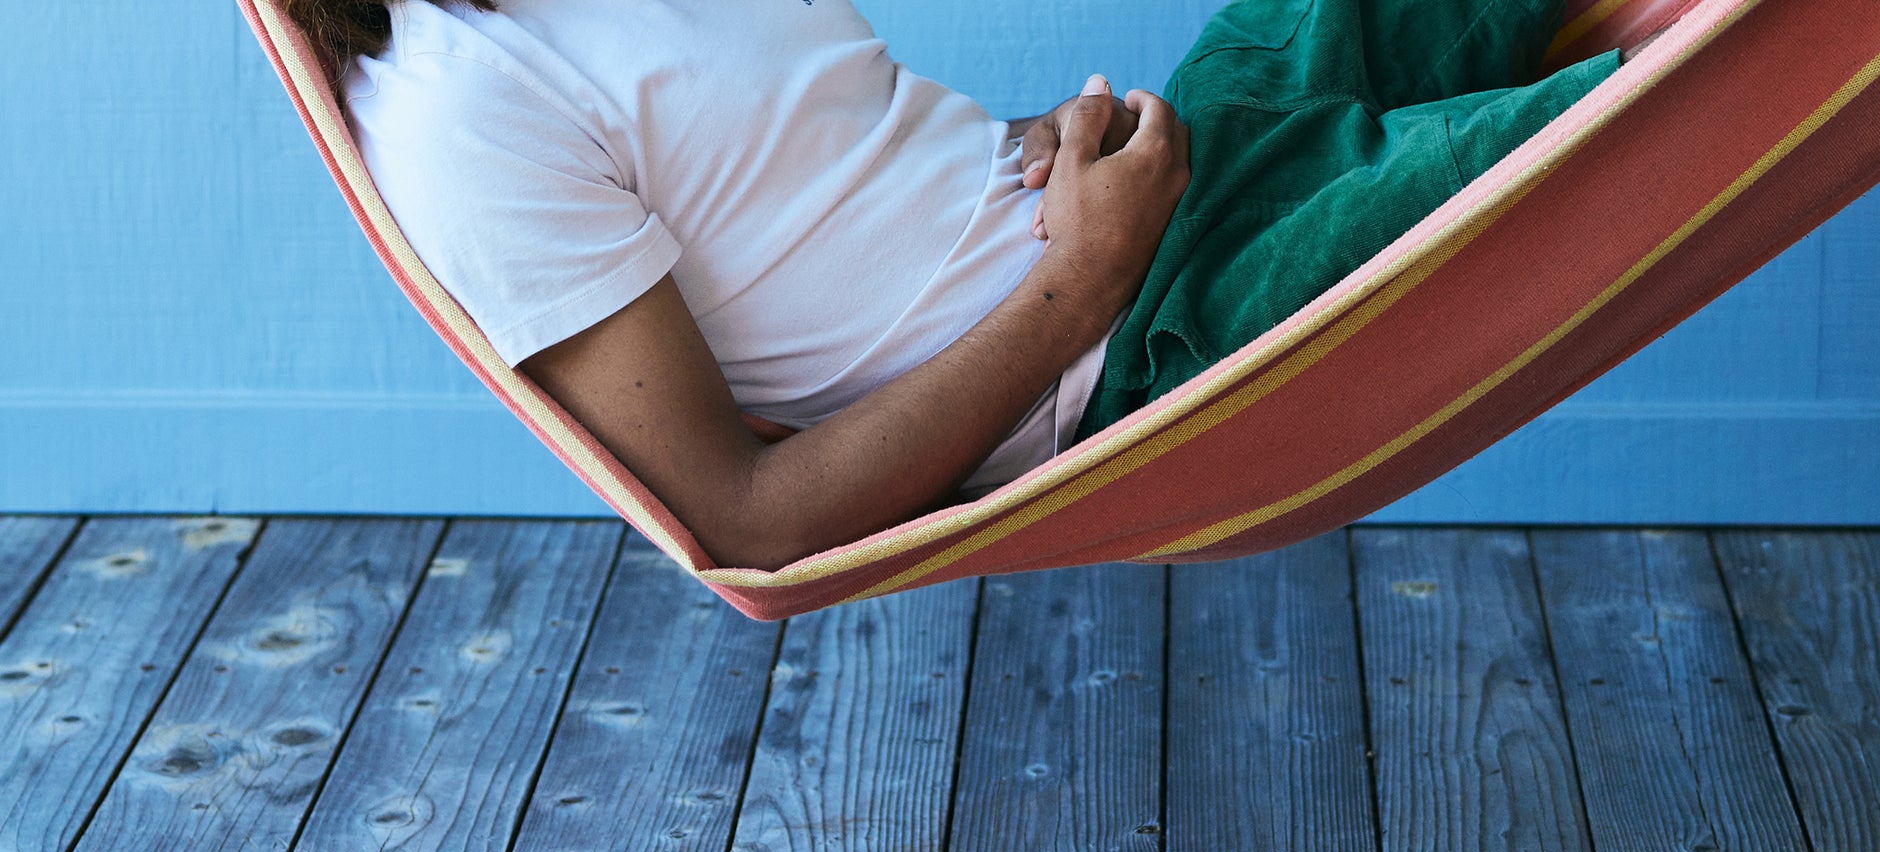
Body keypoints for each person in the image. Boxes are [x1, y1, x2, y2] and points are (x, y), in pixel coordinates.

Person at [308, 0, 1627, 570]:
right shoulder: (462, 115)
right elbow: (746, 517)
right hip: (1154, 344)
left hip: (1165, 172)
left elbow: (846, 195)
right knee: (1640, 124)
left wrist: (1037, 141)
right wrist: (1085, 279)